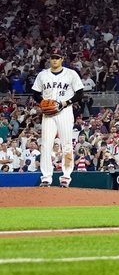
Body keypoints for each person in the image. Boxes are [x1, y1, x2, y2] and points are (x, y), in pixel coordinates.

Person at [31, 50, 86, 188]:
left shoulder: (71, 74)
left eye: (57, 58)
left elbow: (80, 93)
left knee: (66, 144)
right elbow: (35, 93)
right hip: (48, 114)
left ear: (62, 59)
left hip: (65, 112)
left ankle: (66, 177)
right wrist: (42, 102)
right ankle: (46, 178)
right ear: (50, 59)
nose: (54, 60)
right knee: (46, 145)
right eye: (52, 58)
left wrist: (65, 103)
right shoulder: (43, 75)